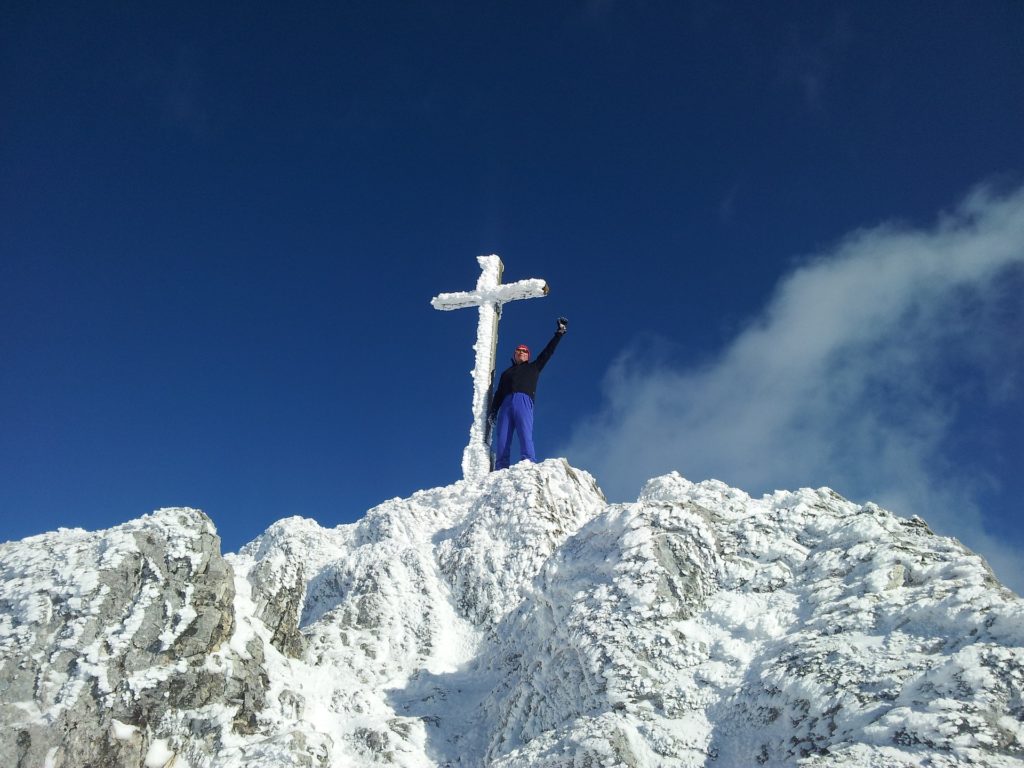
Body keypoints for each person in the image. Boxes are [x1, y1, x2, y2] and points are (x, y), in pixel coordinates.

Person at [488, 317, 568, 470]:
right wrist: (493, 411)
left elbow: (547, 352)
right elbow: (498, 393)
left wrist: (559, 333)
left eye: (525, 351)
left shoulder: (534, 367)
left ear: (528, 356)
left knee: (525, 433)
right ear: (514, 354)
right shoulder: (506, 373)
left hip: (524, 401)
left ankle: (529, 463)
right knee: (503, 437)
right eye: (519, 350)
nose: (521, 352)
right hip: (505, 404)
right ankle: (500, 469)